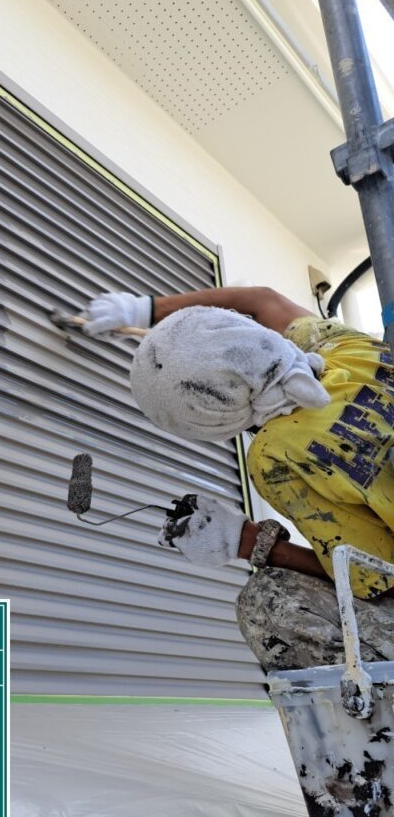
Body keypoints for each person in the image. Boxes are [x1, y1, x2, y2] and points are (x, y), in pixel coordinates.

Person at [82, 286, 394, 672]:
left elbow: (373, 574)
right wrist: (148, 309)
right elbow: (264, 300)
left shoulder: (276, 454)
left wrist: (248, 543)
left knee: (268, 601)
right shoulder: (351, 350)